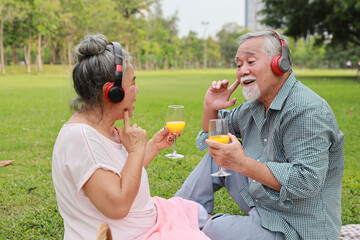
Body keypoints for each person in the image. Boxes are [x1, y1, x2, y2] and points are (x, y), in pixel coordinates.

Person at [175, 30, 345, 240]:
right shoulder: (254, 107)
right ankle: (177, 212)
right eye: (238, 65)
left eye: (251, 61)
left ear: (279, 64)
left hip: (298, 227)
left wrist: (241, 163)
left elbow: (306, 181)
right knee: (217, 151)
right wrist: (211, 106)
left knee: (215, 230)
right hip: (267, 205)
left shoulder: (306, 109)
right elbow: (213, 133)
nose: (242, 71)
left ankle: (197, 223)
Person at [52, 33, 209, 240]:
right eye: (133, 83)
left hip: (151, 220)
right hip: (133, 235)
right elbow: (118, 206)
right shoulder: (81, 139)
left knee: (197, 213)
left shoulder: (101, 127)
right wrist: (135, 151)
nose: (137, 90)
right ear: (112, 92)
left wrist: (151, 146)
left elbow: (120, 175)